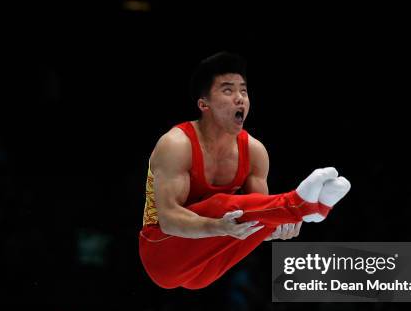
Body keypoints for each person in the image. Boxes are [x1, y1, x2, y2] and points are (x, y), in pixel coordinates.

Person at [139, 52, 350, 289]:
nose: (240, 98)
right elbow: (168, 221)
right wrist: (218, 226)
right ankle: (299, 205)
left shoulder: (255, 152)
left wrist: (276, 229)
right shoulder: (176, 144)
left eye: (244, 91)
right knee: (224, 205)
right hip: (162, 253)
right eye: (228, 91)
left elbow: (257, 213)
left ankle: (310, 209)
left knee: (265, 215)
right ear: (203, 104)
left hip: (206, 268)